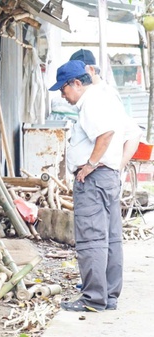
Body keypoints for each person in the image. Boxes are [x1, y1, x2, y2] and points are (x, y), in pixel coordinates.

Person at [50, 60, 126, 312]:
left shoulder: (90, 103)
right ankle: (109, 295)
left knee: (92, 238)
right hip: (109, 175)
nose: (63, 95)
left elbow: (105, 134)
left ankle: (93, 298)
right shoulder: (105, 98)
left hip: (94, 178)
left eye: (63, 88)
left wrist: (90, 165)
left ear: (77, 83)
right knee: (111, 237)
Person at [69, 49, 144, 169]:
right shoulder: (89, 95)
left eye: (77, 74)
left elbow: (133, 132)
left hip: (99, 174)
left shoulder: (104, 94)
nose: (75, 80)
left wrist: (117, 167)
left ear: (91, 70)